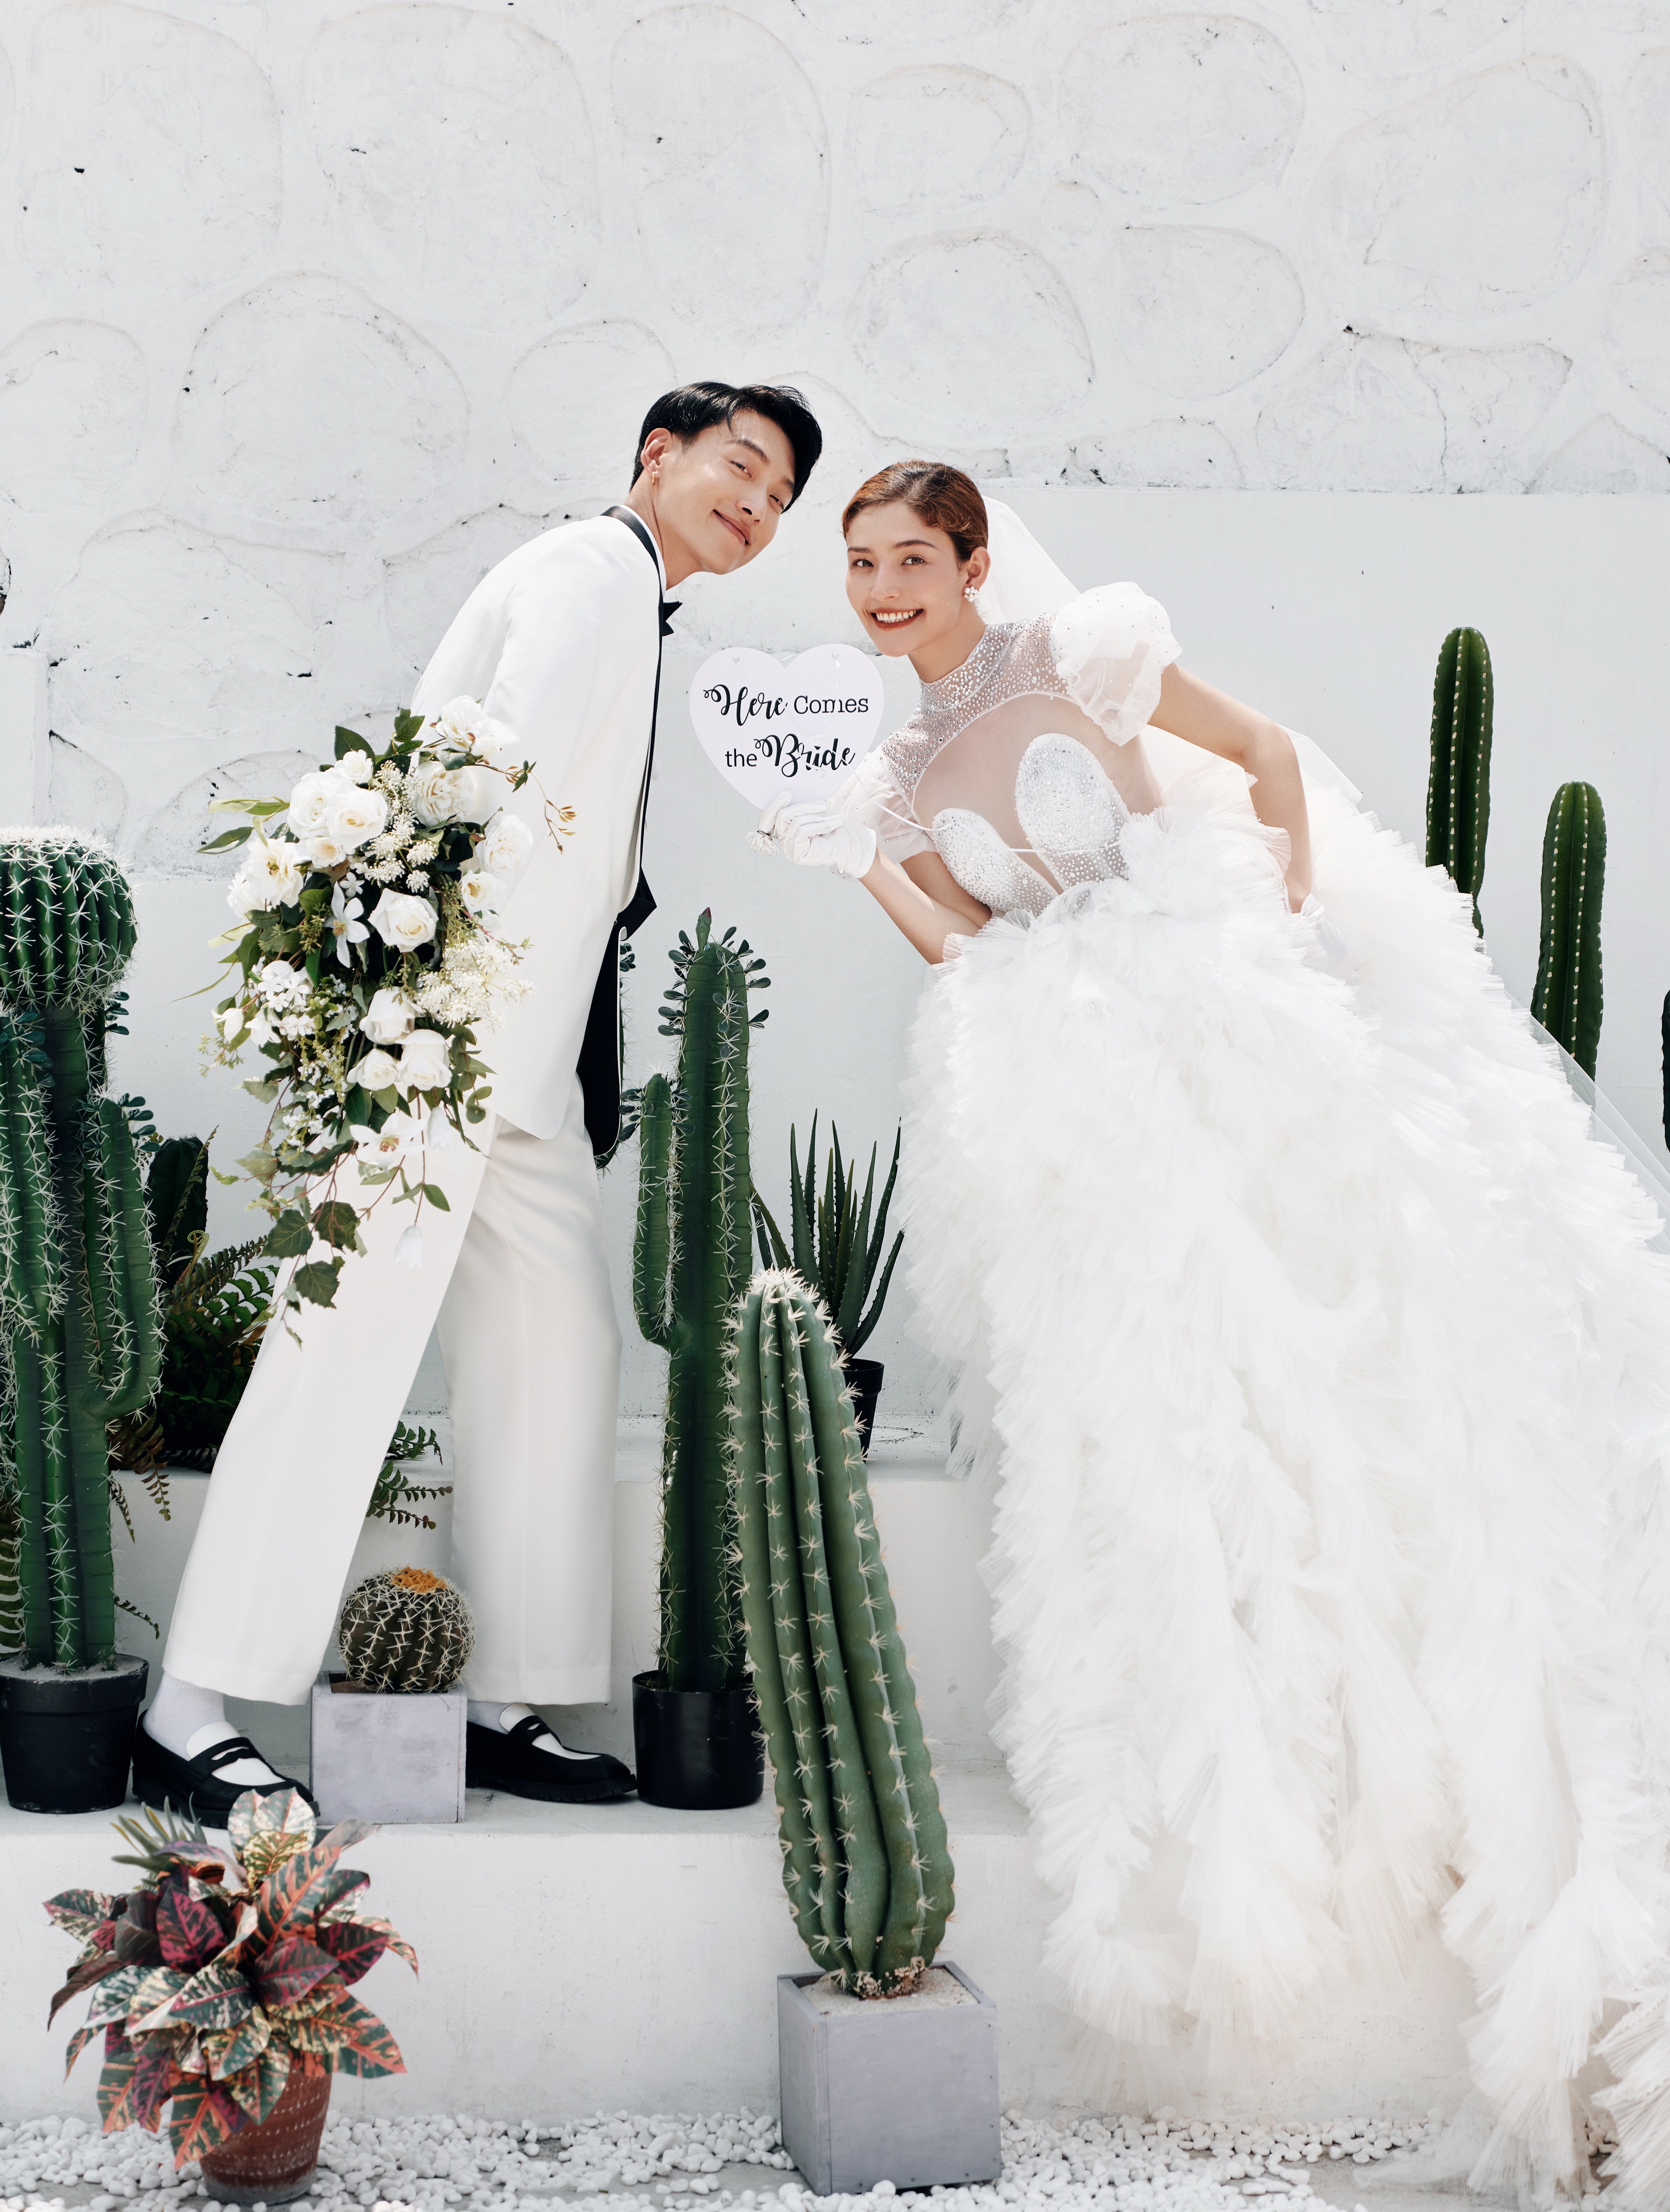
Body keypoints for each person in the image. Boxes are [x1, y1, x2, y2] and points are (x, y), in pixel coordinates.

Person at [753, 460, 1670, 2206]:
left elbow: (1254, 758)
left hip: (1226, 1014)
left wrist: (1289, 918)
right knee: (1199, 1406)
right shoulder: (890, 764)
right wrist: (856, 853)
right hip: (1098, 1095)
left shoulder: (1079, 655)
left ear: (974, 561)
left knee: (1372, 1333)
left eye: (910, 557)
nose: (880, 589)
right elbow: (964, 948)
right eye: (858, 565)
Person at [139, 382, 822, 1823]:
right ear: (658, 454)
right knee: (340, 1354)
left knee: (556, 1351)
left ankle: (504, 1696)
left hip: (522, 1070)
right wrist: (411, 1026)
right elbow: (485, 786)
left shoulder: (627, 594)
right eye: (741, 467)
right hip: (443, 1049)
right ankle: (190, 1703)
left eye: (778, 499)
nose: (757, 507)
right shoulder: (588, 574)